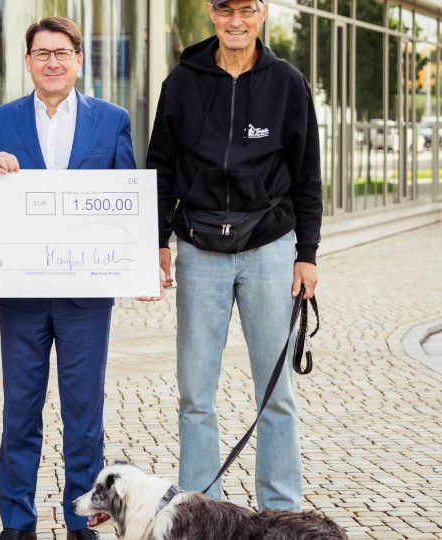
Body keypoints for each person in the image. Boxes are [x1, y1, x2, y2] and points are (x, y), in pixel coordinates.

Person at [0, 16, 155, 540]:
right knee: (20, 416)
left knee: (84, 420)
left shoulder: (110, 120)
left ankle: (82, 524)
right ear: (27, 62)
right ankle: (16, 526)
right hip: (21, 295)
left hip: (85, 298)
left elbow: (128, 199)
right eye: (42, 53)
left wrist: (138, 261)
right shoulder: (2, 119)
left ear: (78, 61)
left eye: (62, 53)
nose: (51, 62)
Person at [146, 0, 322, 513]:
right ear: (211, 13)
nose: (236, 20)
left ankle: (281, 511)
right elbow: (160, 165)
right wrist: (159, 240)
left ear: (262, 12)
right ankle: (202, 510)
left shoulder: (288, 82)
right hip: (199, 249)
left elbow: (308, 174)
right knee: (195, 394)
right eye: (226, 10)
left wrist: (306, 254)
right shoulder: (181, 82)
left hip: (270, 247)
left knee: (277, 391)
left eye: (247, 9)